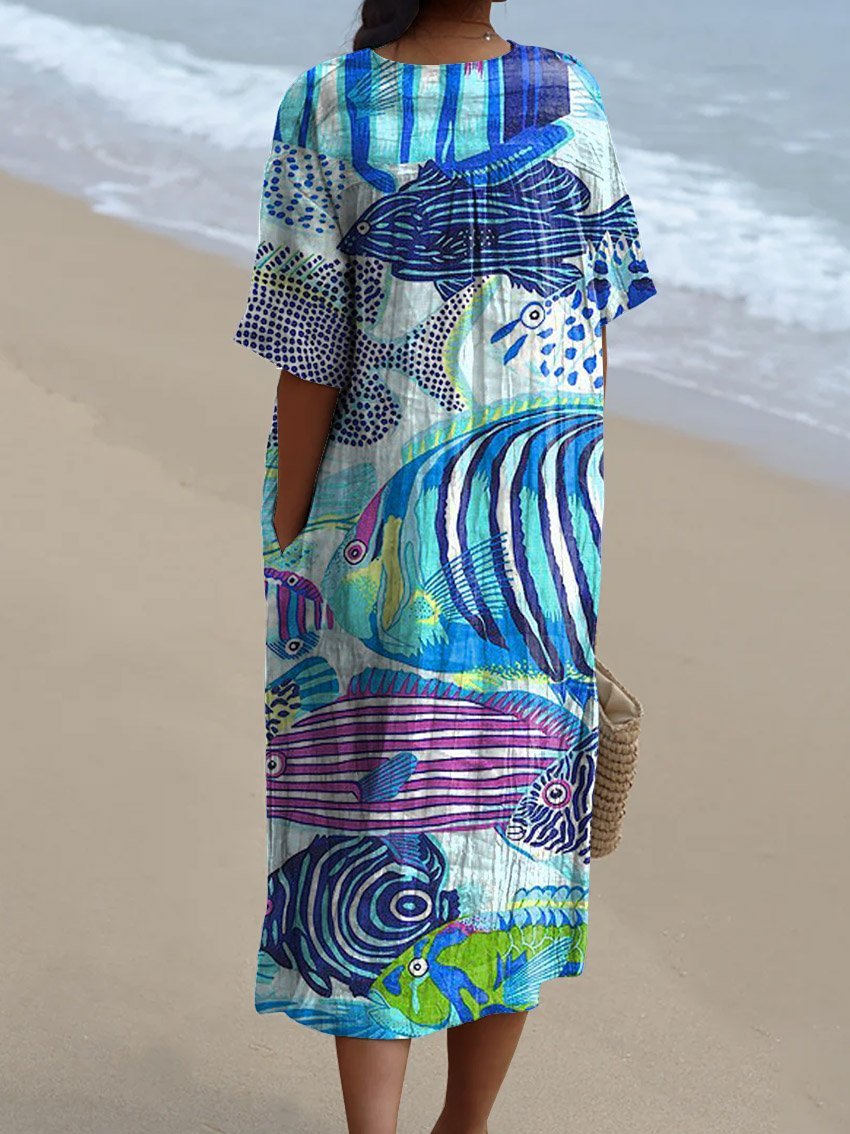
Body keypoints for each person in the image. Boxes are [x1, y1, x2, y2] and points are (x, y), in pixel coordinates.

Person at [233, 1, 658, 1131]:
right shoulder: (566, 94)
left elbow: (307, 343)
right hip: (528, 532)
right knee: (511, 852)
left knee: (372, 822)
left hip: (388, 518)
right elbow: (595, 322)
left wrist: (288, 533)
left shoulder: (335, 99)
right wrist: (565, 510)